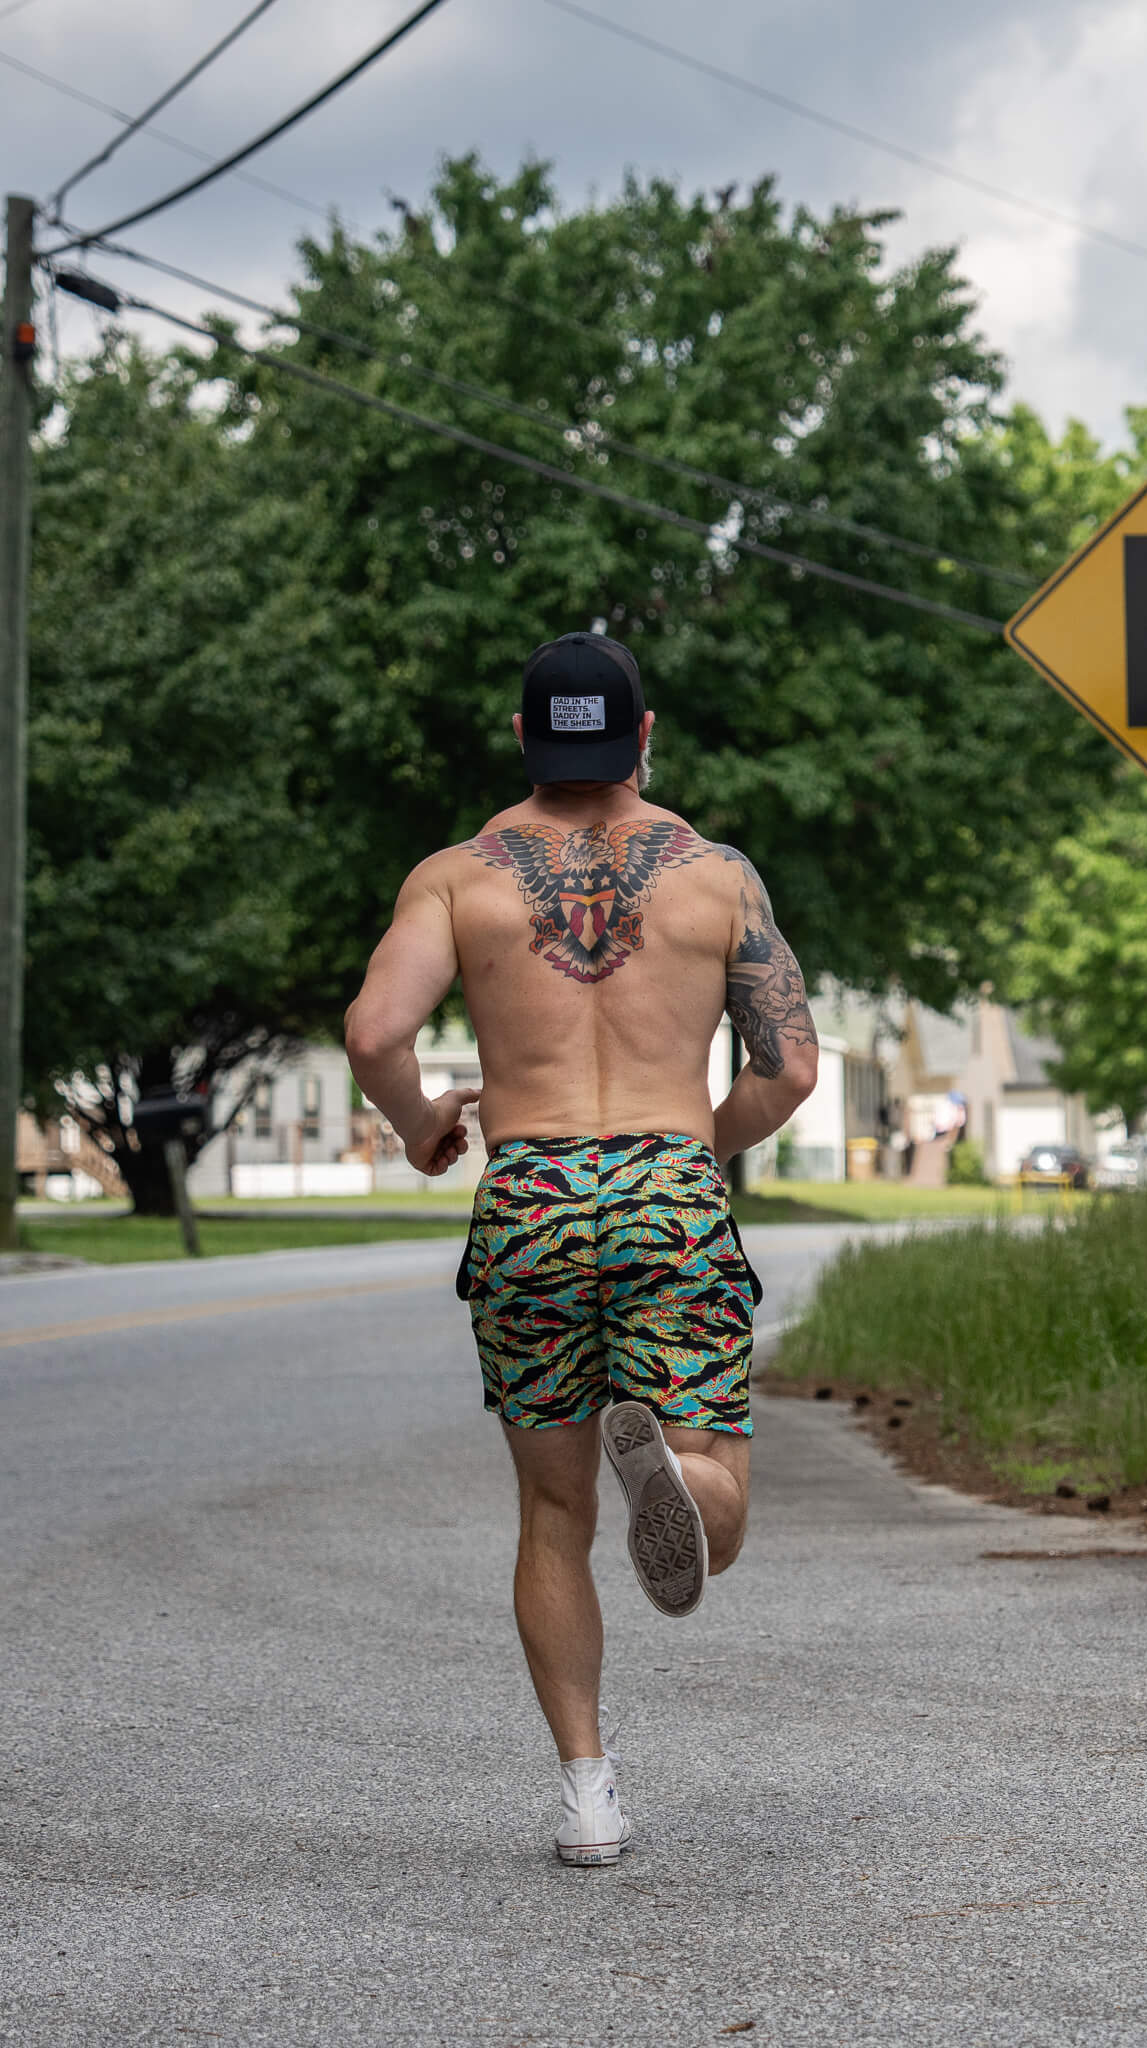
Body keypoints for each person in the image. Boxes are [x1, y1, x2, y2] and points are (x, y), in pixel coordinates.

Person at [343, 631, 818, 1866]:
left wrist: (422, 1126)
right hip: (664, 1185)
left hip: (533, 1196)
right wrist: (690, 1152)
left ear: (521, 740)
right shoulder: (717, 879)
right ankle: (671, 1464)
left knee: (550, 1507)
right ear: (643, 734)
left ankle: (589, 1792)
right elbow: (794, 1065)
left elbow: (375, 1030)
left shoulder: (458, 878)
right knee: (721, 1507)